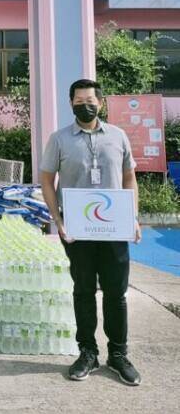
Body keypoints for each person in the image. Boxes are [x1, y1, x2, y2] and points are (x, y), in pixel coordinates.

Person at [40, 79, 142, 386]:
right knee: (83, 291)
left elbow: (129, 177)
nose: (84, 106)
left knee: (116, 293)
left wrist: (133, 217)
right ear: (70, 104)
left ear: (101, 103)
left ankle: (118, 354)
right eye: (78, 101)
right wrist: (57, 220)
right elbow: (46, 180)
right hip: (77, 231)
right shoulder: (59, 139)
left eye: (90, 101)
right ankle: (87, 352)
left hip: (114, 230)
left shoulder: (118, 136)